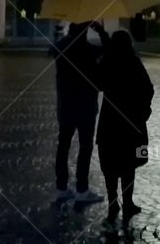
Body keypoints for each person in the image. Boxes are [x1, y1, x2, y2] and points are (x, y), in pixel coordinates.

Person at [96, 31, 154, 226]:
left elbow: (98, 83)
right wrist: (145, 109)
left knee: (110, 163)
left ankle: (113, 202)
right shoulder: (134, 62)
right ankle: (128, 201)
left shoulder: (107, 62)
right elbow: (148, 88)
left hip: (110, 121)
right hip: (132, 121)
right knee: (129, 164)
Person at [52, 21, 108, 203]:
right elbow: (109, 50)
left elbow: (53, 47)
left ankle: (61, 187)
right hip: (85, 106)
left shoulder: (60, 47)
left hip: (66, 105)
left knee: (63, 145)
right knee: (85, 147)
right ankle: (81, 189)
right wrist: (101, 31)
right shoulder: (89, 50)